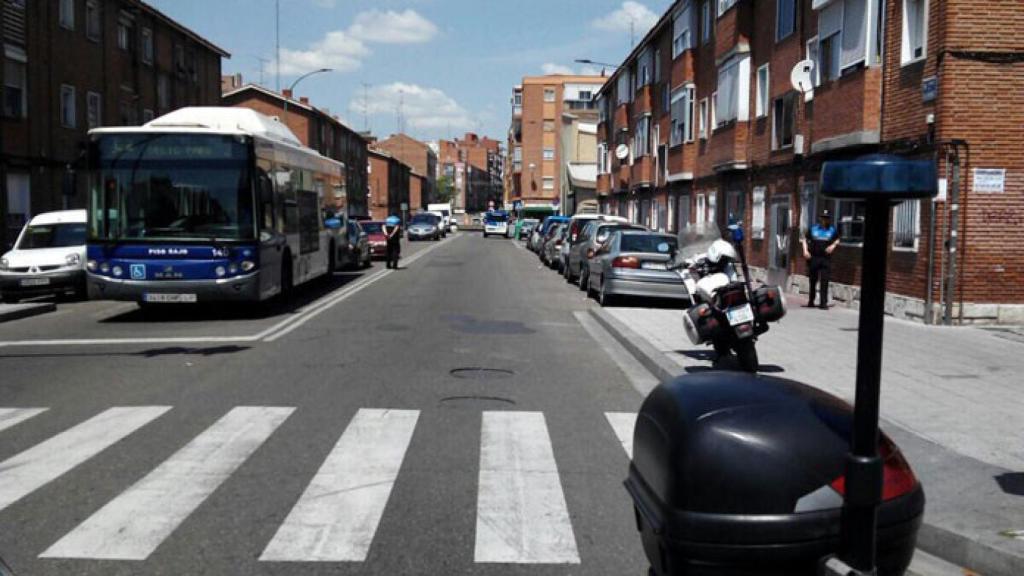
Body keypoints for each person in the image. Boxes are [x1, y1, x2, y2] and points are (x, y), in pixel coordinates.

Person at [801, 209, 840, 309]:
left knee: (825, 280)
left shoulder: (832, 230)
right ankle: (811, 300)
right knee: (813, 280)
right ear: (820, 218)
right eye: (823, 218)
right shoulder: (813, 229)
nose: (825, 220)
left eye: (826, 218)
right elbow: (804, 239)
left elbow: (838, 239)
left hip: (825, 259)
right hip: (814, 258)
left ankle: (823, 303)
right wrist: (805, 251)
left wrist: (833, 246)